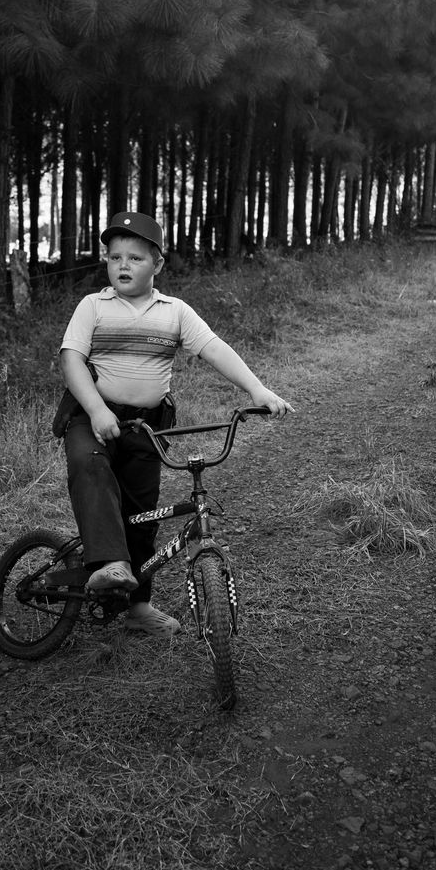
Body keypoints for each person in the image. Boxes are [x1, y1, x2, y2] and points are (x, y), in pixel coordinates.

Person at [58, 211, 293, 637]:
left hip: (148, 427)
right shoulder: (93, 306)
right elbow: (71, 360)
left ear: (158, 264)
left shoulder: (174, 313)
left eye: (135, 257)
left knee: (143, 514)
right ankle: (109, 564)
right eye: (114, 257)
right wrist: (95, 409)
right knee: (92, 471)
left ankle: (138, 607)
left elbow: (215, 349)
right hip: (91, 416)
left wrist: (257, 391)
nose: (123, 265)